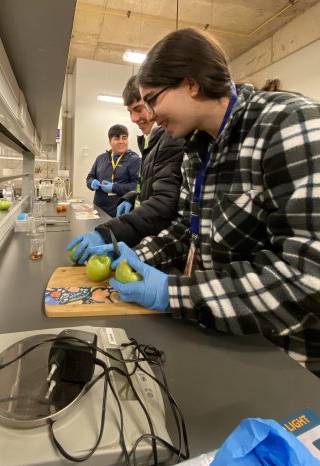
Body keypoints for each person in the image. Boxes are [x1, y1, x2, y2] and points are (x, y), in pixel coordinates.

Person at [89, 28, 320, 377]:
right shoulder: (198, 146)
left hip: (287, 358)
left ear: (191, 83)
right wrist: (135, 255)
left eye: (152, 99)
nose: (149, 114)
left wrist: (175, 294)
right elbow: (188, 228)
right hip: (226, 332)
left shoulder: (289, 125)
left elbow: (306, 278)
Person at [67, 76, 185, 263]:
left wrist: (115, 192)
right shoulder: (107, 156)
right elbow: (144, 184)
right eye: (130, 111)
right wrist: (131, 197)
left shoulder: (168, 140)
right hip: (117, 215)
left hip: (153, 235)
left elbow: (164, 201)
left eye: (138, 109)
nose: (133, 118)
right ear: (110, 141)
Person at [86, 124, 140, 217]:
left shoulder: (134, 160)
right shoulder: (101, 159)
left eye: (124, 138)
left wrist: (114, 187)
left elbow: (136, 186)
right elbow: (90, 177)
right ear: (110, 141)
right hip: (98, 210)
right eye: (117, 138)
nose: (121, 142)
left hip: (121, 213)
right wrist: (91, 182)